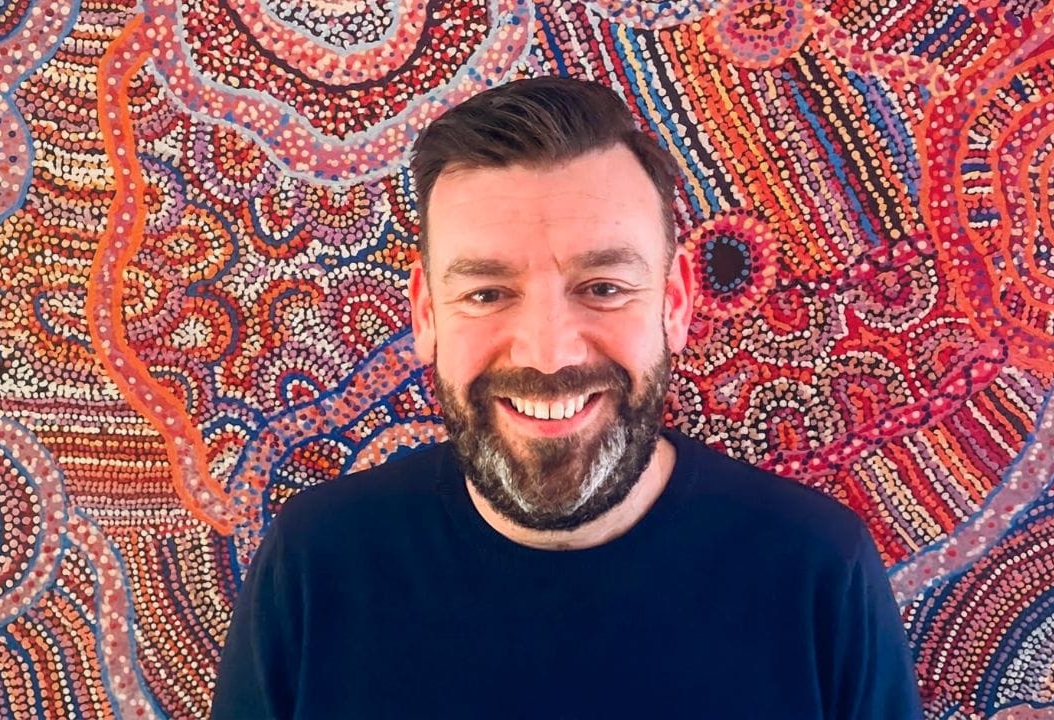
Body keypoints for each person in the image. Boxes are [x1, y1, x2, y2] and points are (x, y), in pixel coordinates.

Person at [212, 76, 924, 719]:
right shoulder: (314, 566)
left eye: (603, 288)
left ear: (675, 303)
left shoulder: (818, 571)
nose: (549, 354)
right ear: (427, 314)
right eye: (486, 293)